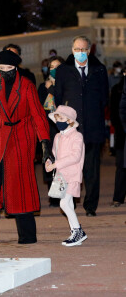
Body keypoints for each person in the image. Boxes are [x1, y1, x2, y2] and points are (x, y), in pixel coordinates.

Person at [0, 50, 54, 244]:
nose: (4, 72)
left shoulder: (27, 85)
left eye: (9, 68)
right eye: (0, 68)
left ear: (16, 67)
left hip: (21, 137)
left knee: (20, 183)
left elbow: (38, 115)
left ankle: (27, 236)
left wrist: (45, 144)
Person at [55, 35, 109, 217]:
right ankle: (67, 201)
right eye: (77, 49)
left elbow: (104, 98)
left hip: (93, 128)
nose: (80, 53)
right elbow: (58, 98)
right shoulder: (63, 71)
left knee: (91, 169)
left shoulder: (99, 70)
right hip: (71, 129)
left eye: (83, 49)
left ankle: (90, 206)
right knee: (68, 167)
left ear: (89, 50)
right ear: (72, 51)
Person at [46, 105, 87, 247]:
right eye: (57, 119)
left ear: (70, 121)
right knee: (67, 203)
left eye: (61, 118)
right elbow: (55, 153)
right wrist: (49, 161)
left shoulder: (77, 136)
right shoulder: (58, 137)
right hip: (61, 175)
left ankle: (78, 231)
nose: (58, 122)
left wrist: (56, 163)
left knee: (64, 203)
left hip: (72, 174)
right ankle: (75, 232)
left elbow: (75, 157)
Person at [38, 55, 65, 207]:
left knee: (63, 162)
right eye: (51, 67)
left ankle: (65, 196)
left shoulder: (67, 85)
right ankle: (54, 196)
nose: (54, 70)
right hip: (48, 129)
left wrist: (52, 88)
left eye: (57, 67)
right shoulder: (43, 86)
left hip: (62, 130)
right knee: (50, 160)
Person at [110, 74, 126, 207]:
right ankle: (118, 197)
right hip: (122, 134)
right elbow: (114, 113)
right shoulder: (117, 89)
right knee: (121, 166)